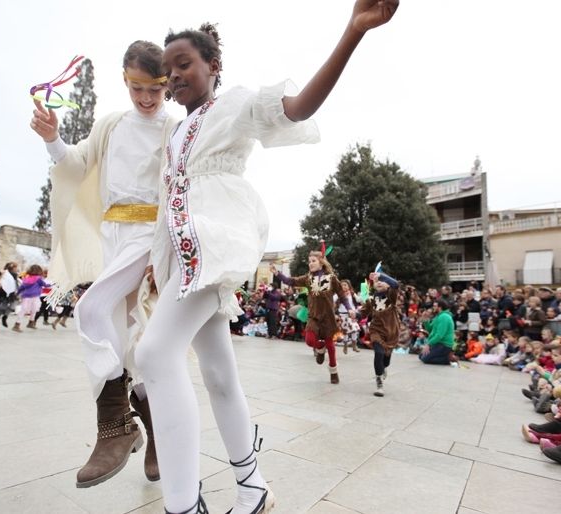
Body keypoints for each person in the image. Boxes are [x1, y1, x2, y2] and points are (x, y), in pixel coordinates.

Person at [133, 3, 399, 512]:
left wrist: (352, 32)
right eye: (168, 71)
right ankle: (252, 487)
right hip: (184, 256)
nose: (173, 76)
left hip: (214, 245)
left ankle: (184, 504)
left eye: (184, 63)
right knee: (217, 372)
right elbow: (169, 201)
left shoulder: (233, 104)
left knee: (153, 355)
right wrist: (154, 259)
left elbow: (297, 107)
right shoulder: (175, 135)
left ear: (213, 65)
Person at [30, 41, 178, 487]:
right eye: (137, 87)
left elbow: (178, 191)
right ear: (125, 80)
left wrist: (163, 252)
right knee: (130, 346)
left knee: (90, 311)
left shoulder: (174, 128)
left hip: (150, 238)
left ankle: (114, 426)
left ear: (166, 84)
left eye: (156, 88)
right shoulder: (112, 124)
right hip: (114, 237)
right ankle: (156, 437)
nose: (147, 99)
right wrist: (52, 137)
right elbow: (76, 166)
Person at [271, 251, 354, 384]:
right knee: (310, 340)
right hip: (313, 316)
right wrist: (277, 273)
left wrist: (350, 308)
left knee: (331, 347)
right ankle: (320, 349)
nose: (310, 264)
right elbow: (290, 281)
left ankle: (333, 371)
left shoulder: (332, 278)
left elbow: (342, 296)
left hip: (328, 318)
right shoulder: (308, 278)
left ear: (321, 263)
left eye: (313, 261)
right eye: (309, 261)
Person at [361, 271, 400, 397]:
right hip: (376, 330)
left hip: (391, 332)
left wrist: (380, 275)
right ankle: (379, 383)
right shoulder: (371, 299)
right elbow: (363, 313)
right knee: (379, 353)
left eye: (382, 281)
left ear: (388, 285)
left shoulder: (392, 296)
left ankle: (383, 368)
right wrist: (355, 314)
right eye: (376, 281)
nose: (379, 283)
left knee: (386, 361)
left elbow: (396, 284)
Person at [419, 299, 456, 365]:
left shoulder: (444, 317)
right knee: (421, 356)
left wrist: (428, 344)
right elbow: (430, 329)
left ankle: (447, 359)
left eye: (435, 306)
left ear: (440, 307)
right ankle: (443, 356)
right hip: (438, 343)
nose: (433, 308)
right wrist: (425, 319)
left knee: (425, 359)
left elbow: (439, 335)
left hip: (444, 345)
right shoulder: (438, 316)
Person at [14, 264, 48, 332]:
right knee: (34, 309)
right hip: (35, 296)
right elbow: (44, 285)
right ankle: (28, 323)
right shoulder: (38, 278)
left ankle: (19, 324)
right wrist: (52, 285)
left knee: (24, 310)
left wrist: (17, 293)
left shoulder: (26, 278)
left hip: (26, 296)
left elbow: (21, 287)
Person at [0, 262, 19, 329]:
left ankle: (3, 317)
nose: (16, 269)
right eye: (15, 267)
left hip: (9, 292)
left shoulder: (10, 274)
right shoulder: (8, 274)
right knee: (5, 306)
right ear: (12, 268)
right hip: (7, 291)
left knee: (10, 305)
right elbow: (4, 281)